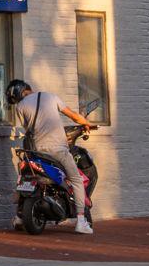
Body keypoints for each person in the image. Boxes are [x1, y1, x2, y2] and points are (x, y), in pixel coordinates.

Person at [8, 78, 95, 234]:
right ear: (27, 89)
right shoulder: (51, 97)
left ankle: (20, 215)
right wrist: (86, 123)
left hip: (37, 151)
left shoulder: (20, 107)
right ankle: (81, 221)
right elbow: (74, 116)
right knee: (76, 179)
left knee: (28, 176)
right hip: (58, 150)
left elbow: (29, 129)